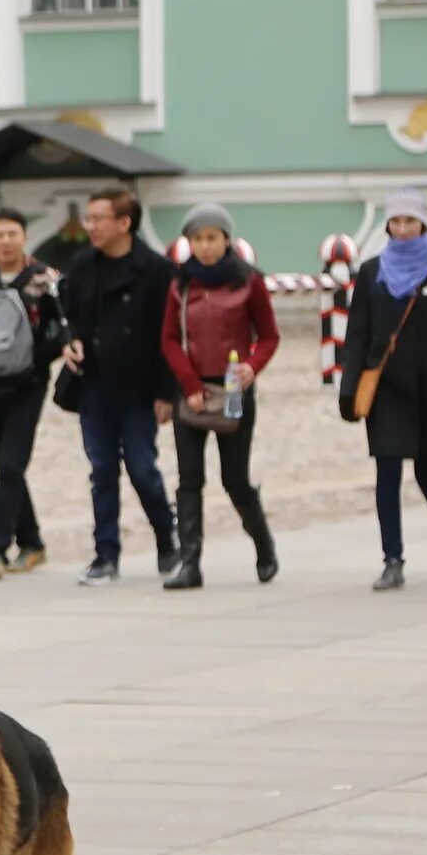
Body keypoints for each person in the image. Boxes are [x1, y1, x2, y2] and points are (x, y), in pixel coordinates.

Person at [337, 190, 427, 590]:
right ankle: (392, 559)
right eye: (396, 222)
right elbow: (357, 332)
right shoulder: (371, 271)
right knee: (387, 470)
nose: (402, 228)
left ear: (423, 223)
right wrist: (349, 388)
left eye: (410, 221)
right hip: (386, 388)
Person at [56, 184, 177, 585]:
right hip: (94, 386)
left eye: (97, 218)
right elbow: (66, 315)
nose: (89, 226)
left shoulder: (156, 269)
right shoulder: (81, 265)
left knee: (143, 469)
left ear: (125, 222)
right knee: (102, 470)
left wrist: (166, 393)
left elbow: (168, 335)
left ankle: (168, 540)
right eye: (88, 218)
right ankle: (105, 555)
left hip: (140, 389)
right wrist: (68, 342)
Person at [158, 203, 280, 590]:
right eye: (197, 238)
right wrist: (190, 386)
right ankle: (190, 564)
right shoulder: (180, 286)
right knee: (189, 479)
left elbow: (270, 336)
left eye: (212, 237)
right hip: (190, 389)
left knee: (234, 479)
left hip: (233, 390)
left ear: (227, 239)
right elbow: (169, 340)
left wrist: (252, 366)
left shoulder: (249, 282)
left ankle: (264, 546)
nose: (205, 246)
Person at [0, 209, 62, 580]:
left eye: (13, 233)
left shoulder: (43, 279)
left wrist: (35, 359)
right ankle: (33, 543)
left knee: (12, 465)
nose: (6, 241)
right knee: (4, 467)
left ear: (24, 237)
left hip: (27, 386)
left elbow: (61, 328)